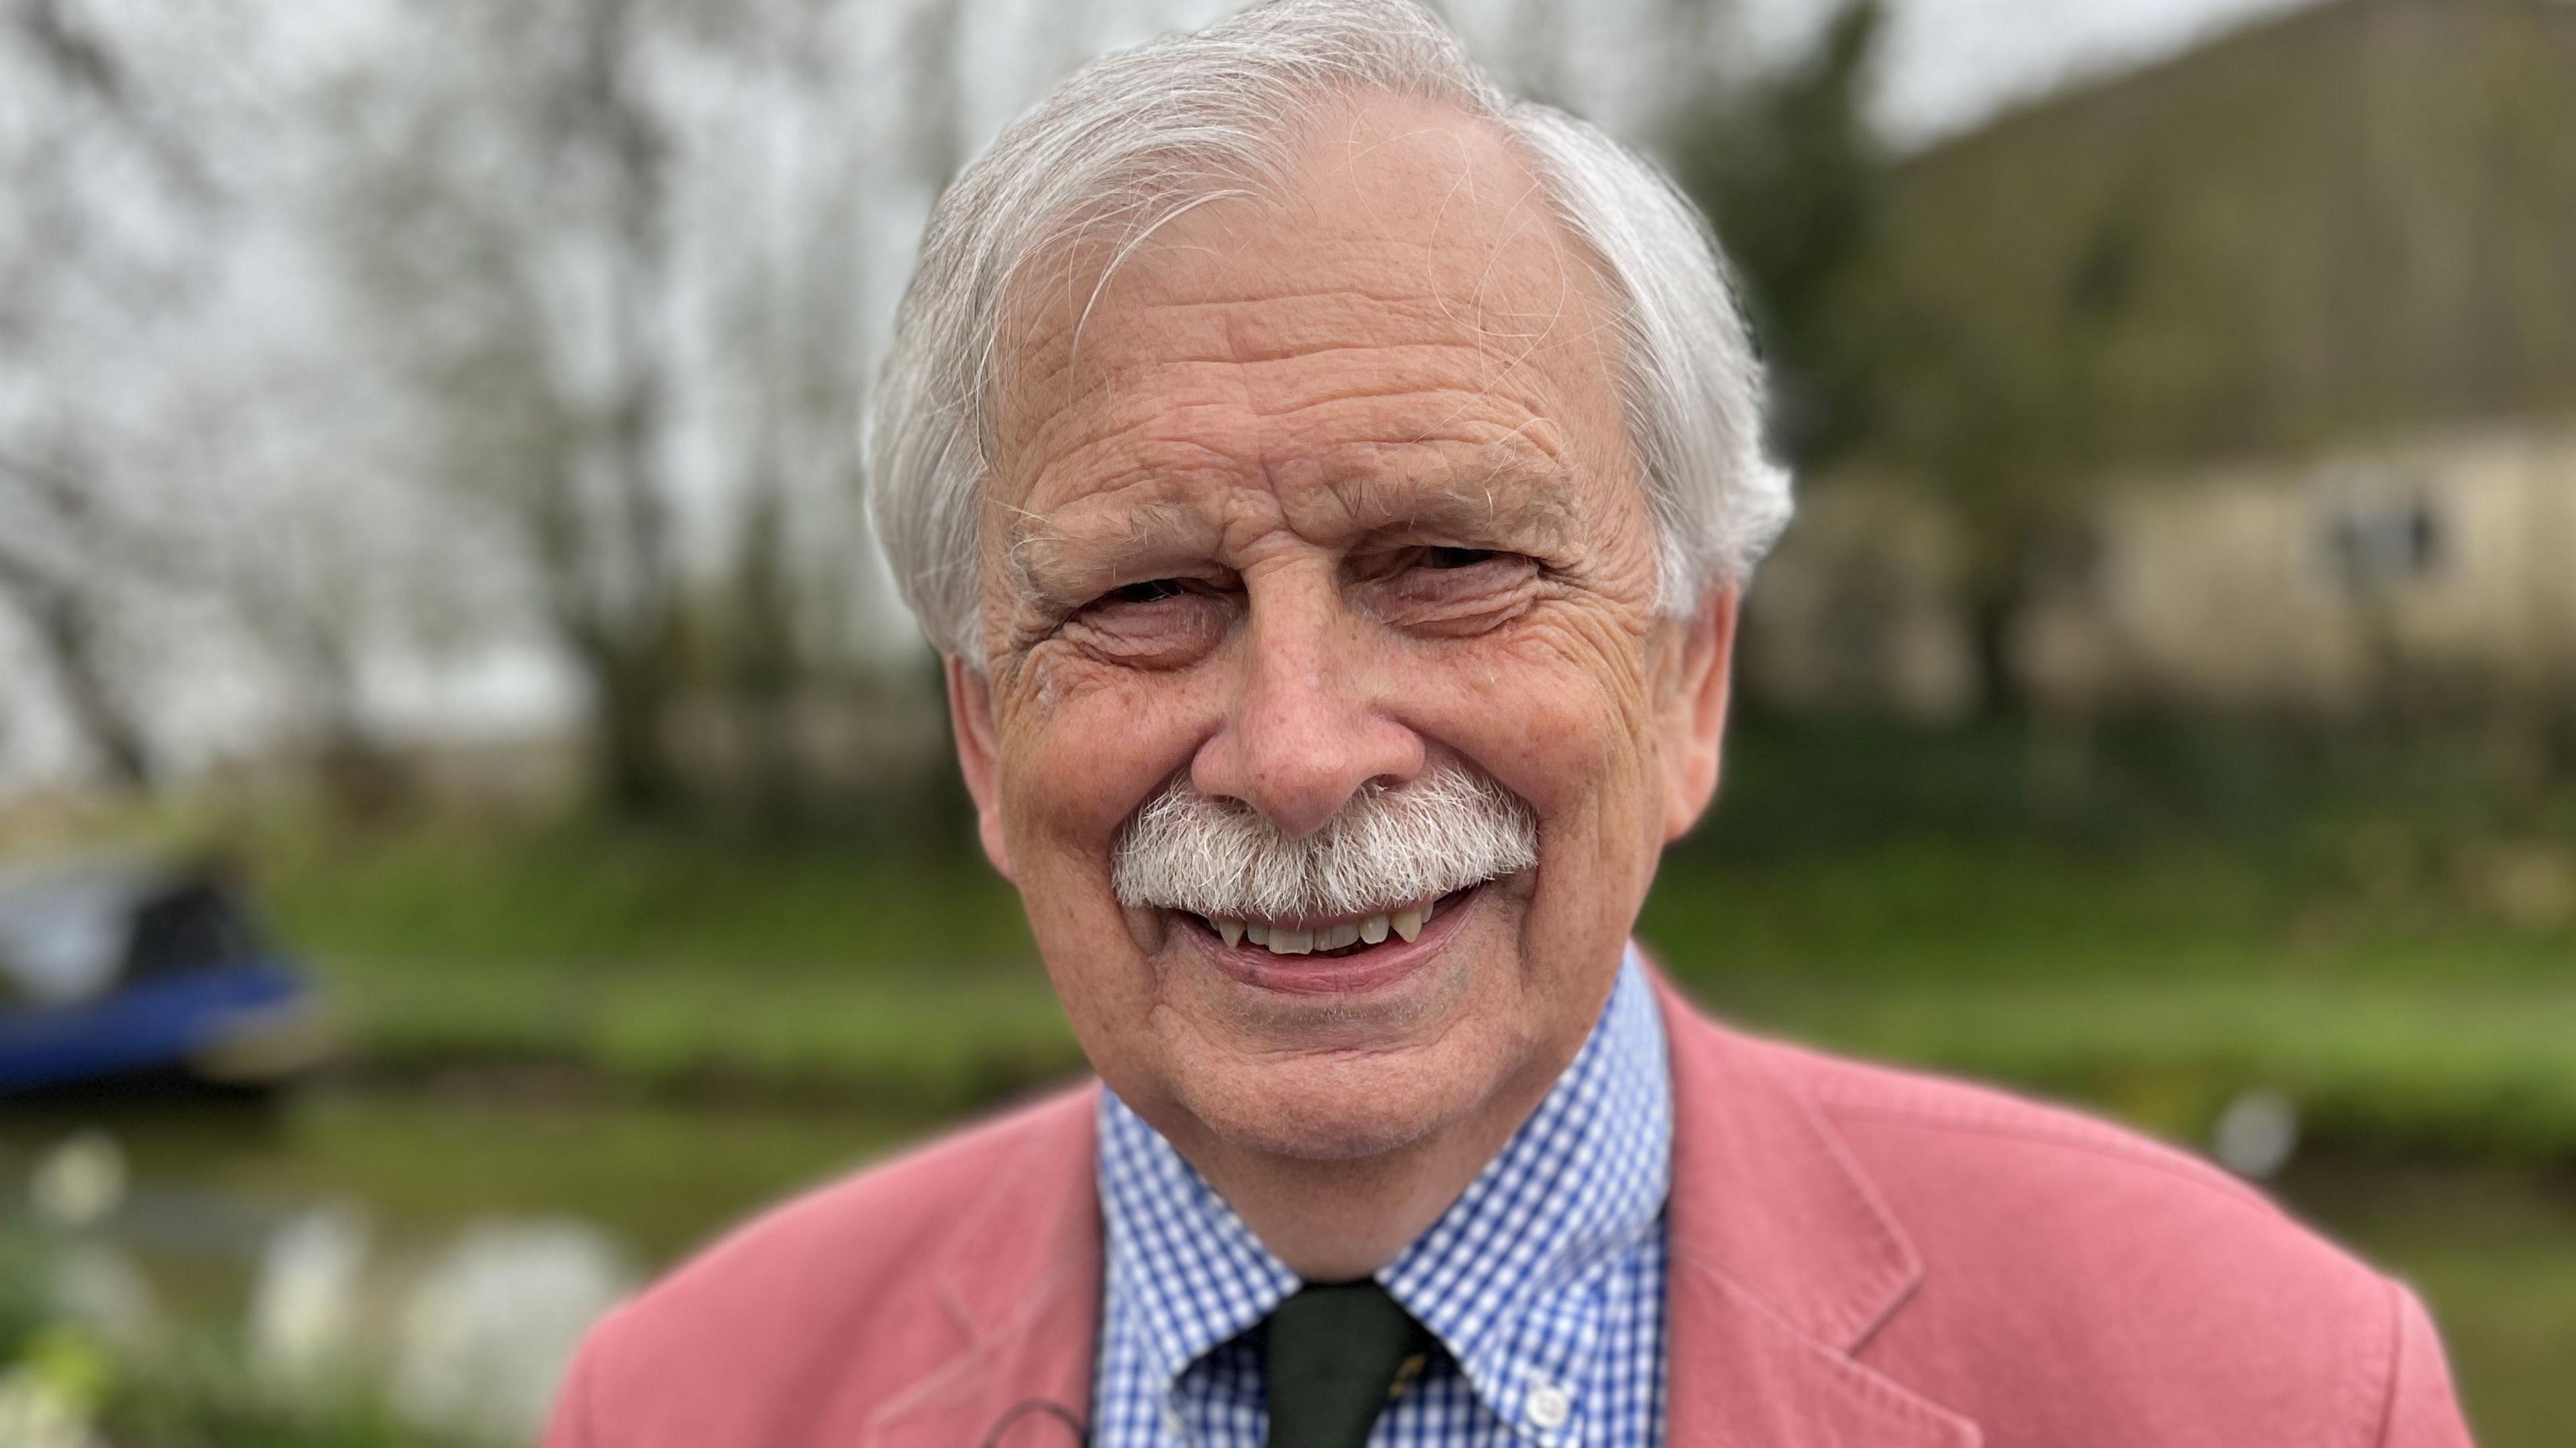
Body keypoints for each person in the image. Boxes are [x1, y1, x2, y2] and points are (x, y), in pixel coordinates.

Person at [541, 2, 2475, 1444]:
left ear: (1689, 675)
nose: (1298, 753)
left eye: (1450, 561)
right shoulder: (684, 1403)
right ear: (984, 739)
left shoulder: (2268, 1389)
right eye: (1144, 598)